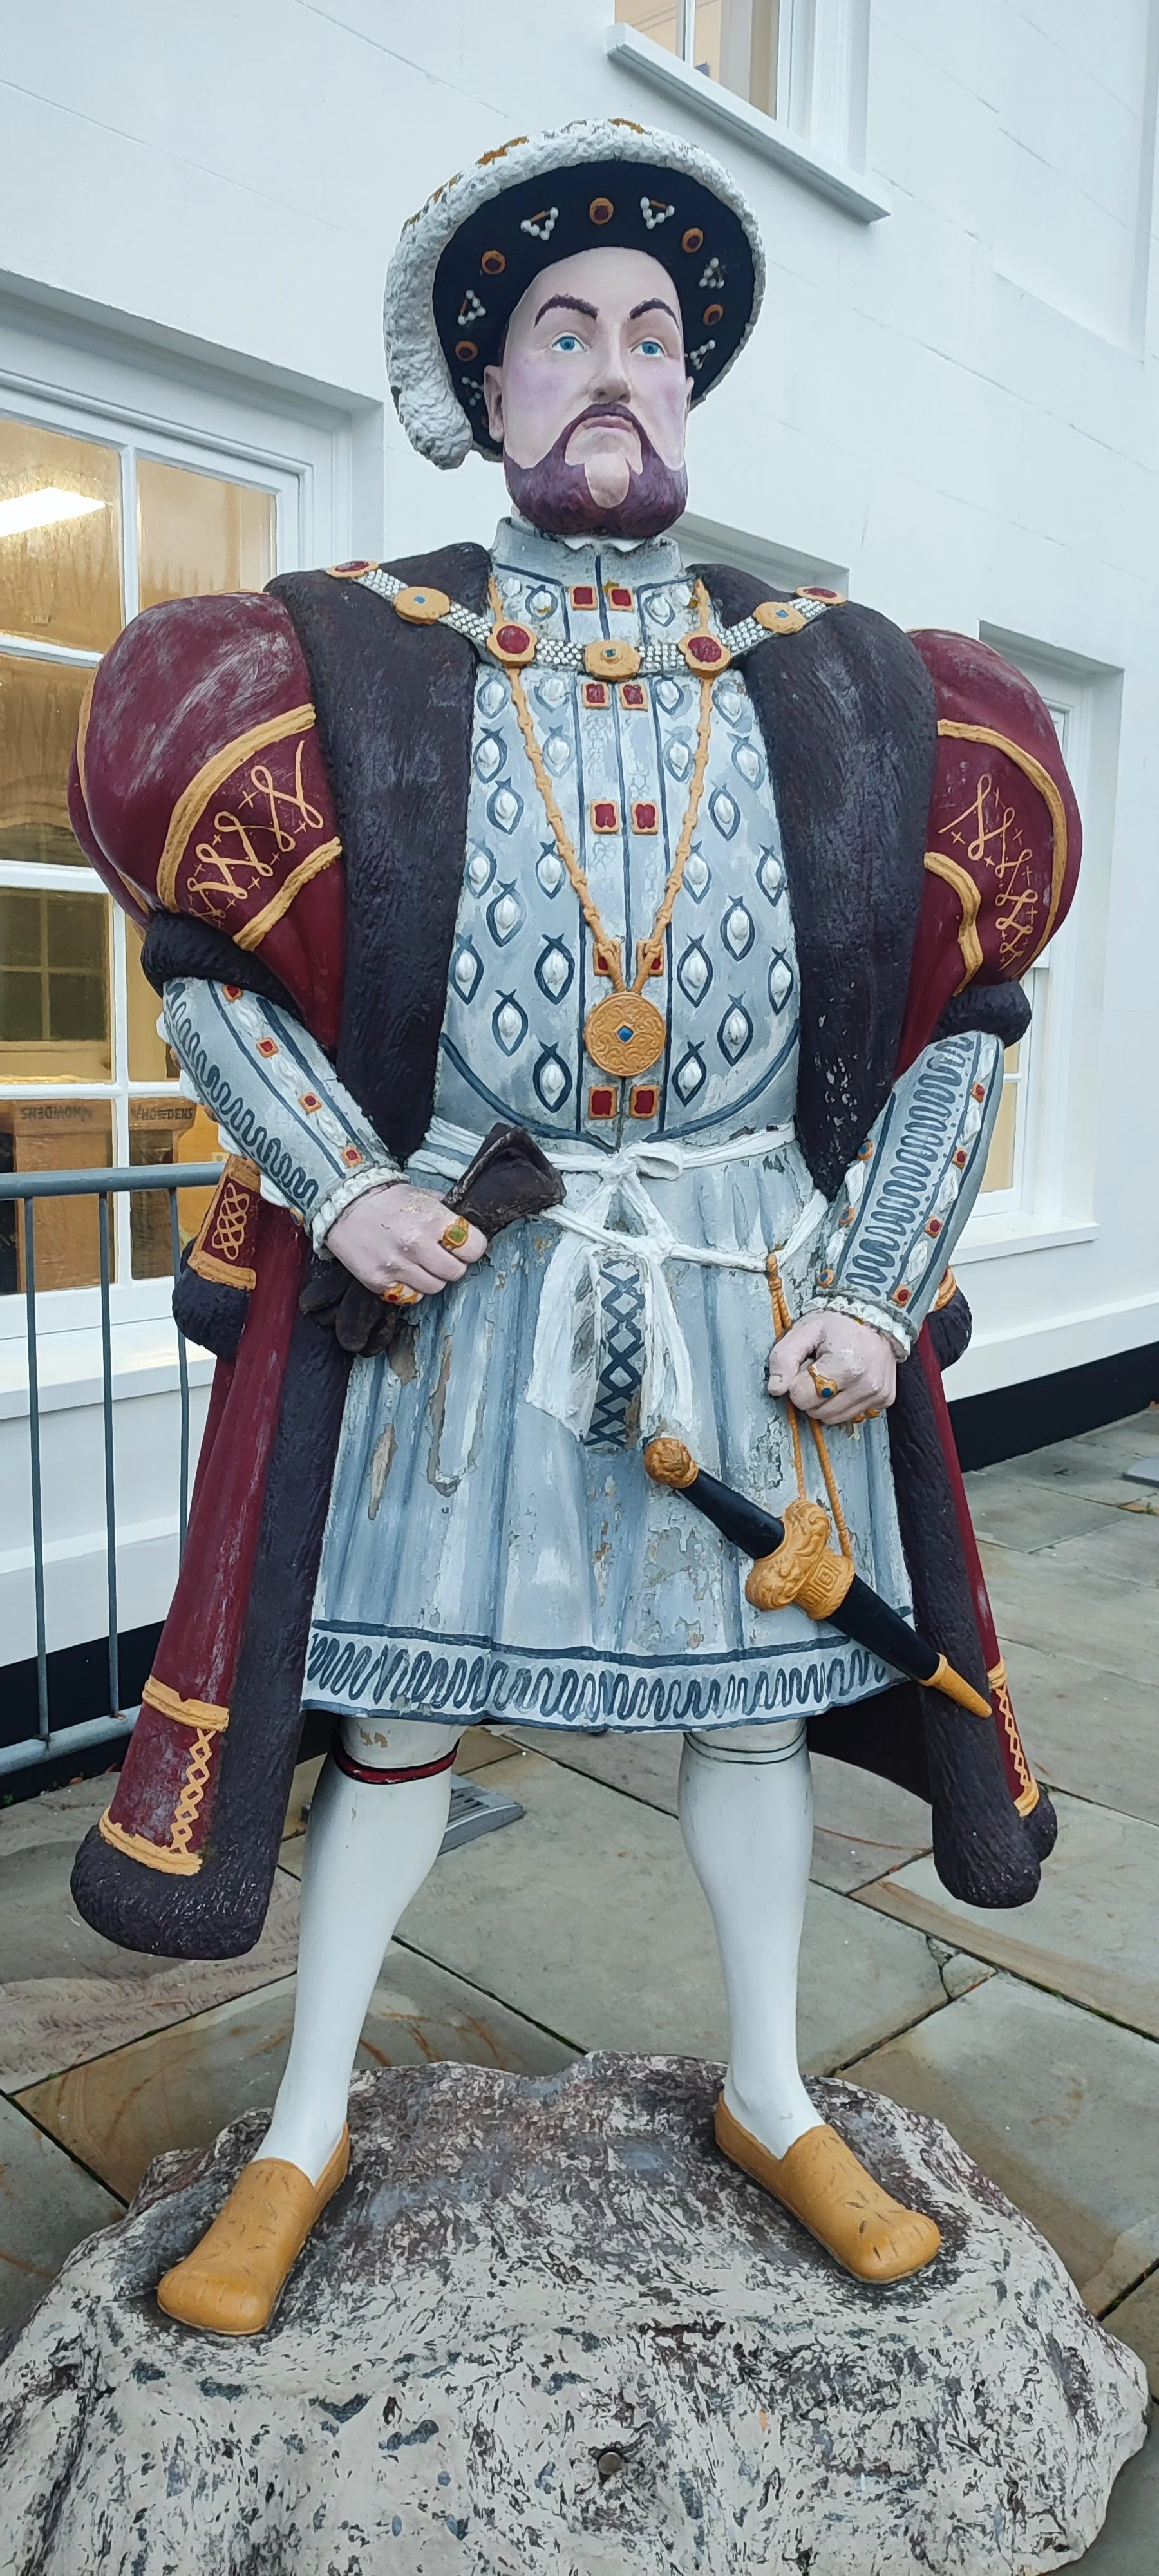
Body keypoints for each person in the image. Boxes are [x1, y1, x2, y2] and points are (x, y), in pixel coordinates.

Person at [69, 121, 1079, 2336]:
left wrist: (882, 1292)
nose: (614, 371)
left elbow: (961, 1029)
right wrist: (345, 1184)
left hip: (752, 1291)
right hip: (479, 1300)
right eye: (562, 336)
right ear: (487, 389)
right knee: (398, 1741)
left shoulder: (843, 687)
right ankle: (316, 2122)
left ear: (688, 389)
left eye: (651, 336)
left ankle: (772, 2088)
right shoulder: (347, 664)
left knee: (745, 1731)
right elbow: (212, 985)